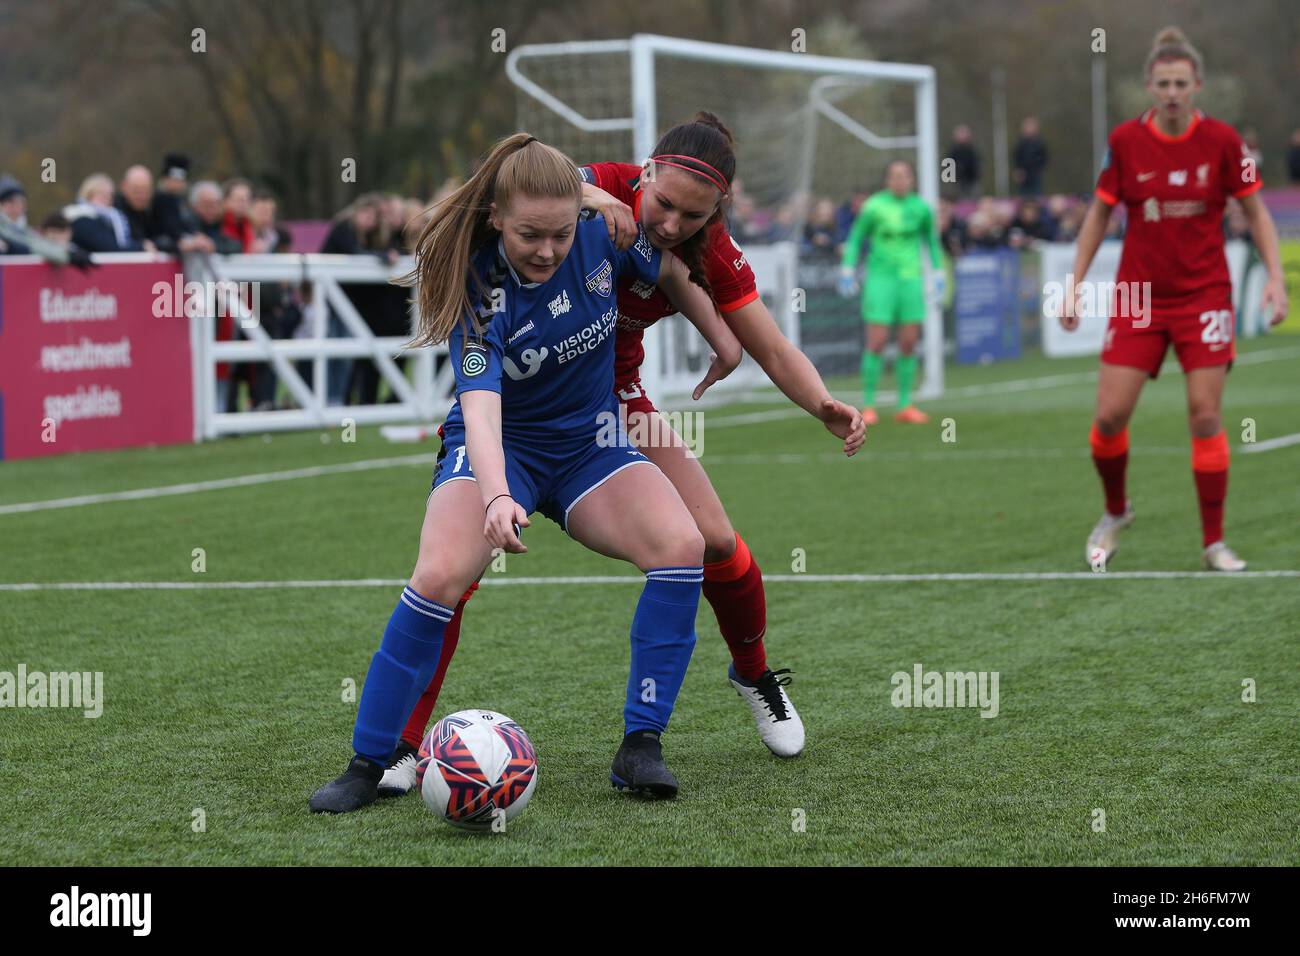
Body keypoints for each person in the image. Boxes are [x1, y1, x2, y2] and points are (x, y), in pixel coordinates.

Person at [378, 113, 865, 798]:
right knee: (453, 569)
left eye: (692, 218)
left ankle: (752, 674)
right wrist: (589, 195)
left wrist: (823, 405)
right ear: (645, 173)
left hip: (615, 406)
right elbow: (525, 182)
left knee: (713, 541)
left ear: (716, 212)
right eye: (662, 204)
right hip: (516, 411)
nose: (670, 224)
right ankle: (401, 744)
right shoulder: (591, 187)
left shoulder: (710, 247)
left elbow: (771, 347)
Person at [309, 133, 742, 813]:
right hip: (501, 449)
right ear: (495, 220)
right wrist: (498, 496)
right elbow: (480, 412)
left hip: (590, 447)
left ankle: (641, 747)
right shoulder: (477, 286)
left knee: (684, 546)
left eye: (560, 234)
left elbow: (670, 273)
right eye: (529, 235)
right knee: (437, 578)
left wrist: (721, 336)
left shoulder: (603, 233)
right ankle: (368, 761)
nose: (546, 250)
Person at [1059, 27, 1288, 572]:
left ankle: (1213, 543)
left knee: (1205, 415)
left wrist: (1276, 278)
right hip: (1139, 296)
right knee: (1110, 416)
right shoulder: (1125, 142)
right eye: (1162, 83)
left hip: (1205, 295)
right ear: (1148, 86)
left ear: (1197, 86)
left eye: (1181, 83)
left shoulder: (1226, 143)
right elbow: (1099, 213)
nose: (1171, 92)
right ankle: (1116, 511)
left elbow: (1256, 213)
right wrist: (1074, 282)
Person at [838, 159, 943, 425]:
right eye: (894, 176)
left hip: (911, 281)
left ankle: (905, 404)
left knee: (908, 343)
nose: (899, 180)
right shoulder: (874, 207)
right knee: (877, 342)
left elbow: (931, 242)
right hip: (880, 281)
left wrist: (939, 273)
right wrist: (848, 269)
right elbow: (856, 237)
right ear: (888, 180)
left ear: (912, 179)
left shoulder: (921, 209)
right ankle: (869, 405)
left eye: (904, 175)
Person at [1012, 116, 1049, 197]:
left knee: (1036, 198)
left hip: (1035, 176)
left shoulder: (1040, 143)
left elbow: (1044, 158)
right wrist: (1018, 170)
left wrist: (1038, 169)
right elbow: (1016, 158)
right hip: (1023, 177)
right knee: (1024, 199)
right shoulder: (1020, 144)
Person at [947, 125, 981, 199]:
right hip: (957, 183)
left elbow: (977, 165)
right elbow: (948, 166)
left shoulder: (972, 150)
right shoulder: (953, 151)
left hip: (971, 181)